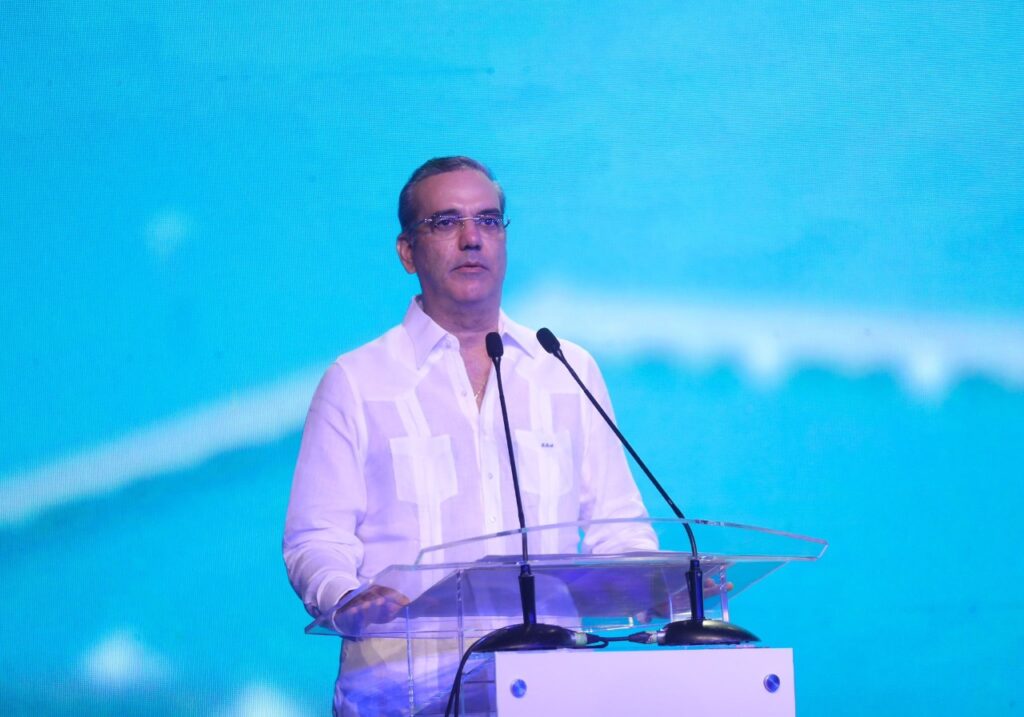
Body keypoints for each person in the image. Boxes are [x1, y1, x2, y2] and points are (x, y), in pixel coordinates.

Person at [283, 156, 656, 716]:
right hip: (402, 696)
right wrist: (347, 596)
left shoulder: (565, 368)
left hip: (549, 692)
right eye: (445, 222)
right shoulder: (357, 381)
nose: (471, 238)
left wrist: (656, 583)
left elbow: (618, 527)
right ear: (407, 252)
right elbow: (315, 538)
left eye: (488, 220)